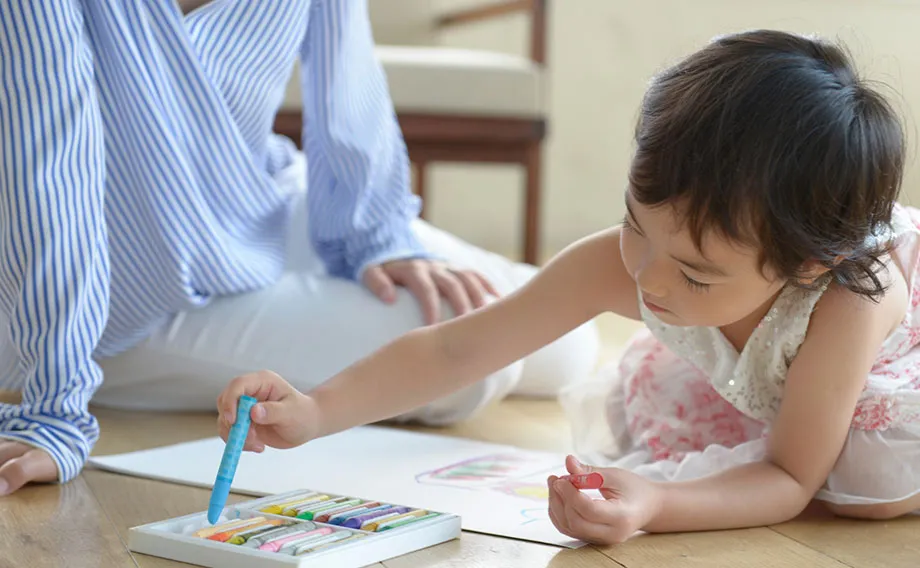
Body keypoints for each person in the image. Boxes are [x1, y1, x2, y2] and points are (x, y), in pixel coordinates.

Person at [215, 29, 920, 545]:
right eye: (633, 226)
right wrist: (314, 411)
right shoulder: (631, 263)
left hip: (878, 372)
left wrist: (657, 505)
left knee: (868, 477)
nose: (647, 279)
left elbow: (793, 479)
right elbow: (455, 353)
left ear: (805, 265)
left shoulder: (845, 302)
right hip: (780, 378)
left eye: (695, 273)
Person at [0, 1, 599, 496]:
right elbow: (48, 178)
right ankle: (77, 365)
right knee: (475, 358)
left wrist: (378, 236)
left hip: (258, 199)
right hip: (103, 282)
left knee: (567, 339)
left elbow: (349, 83)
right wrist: (54, 401)